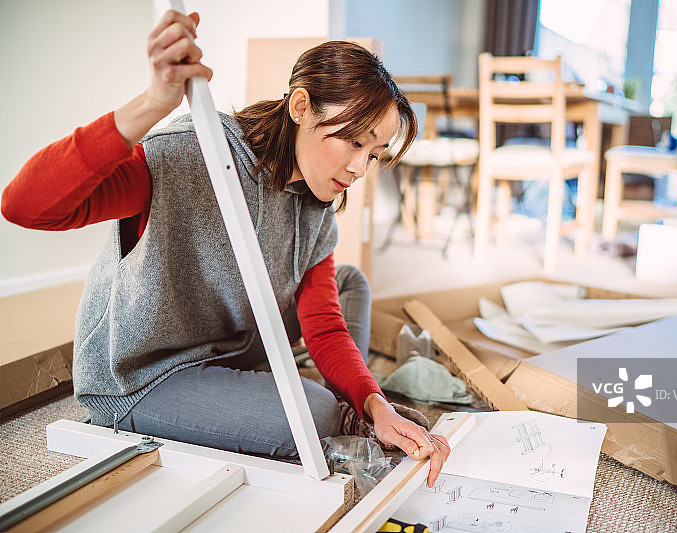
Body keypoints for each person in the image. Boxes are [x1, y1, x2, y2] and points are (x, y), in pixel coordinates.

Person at [1, 10, 449, 486]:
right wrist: (152, 103)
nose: (360, 168)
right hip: (149, 376)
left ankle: (340, 406)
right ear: (301, 106)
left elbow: (324, 324)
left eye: (374, 154)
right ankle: (325, 409)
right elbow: (25, 206)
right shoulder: (187, 156)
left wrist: (371, 401)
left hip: (238, 346)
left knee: (348, 284)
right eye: (353, 141)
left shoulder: (318, 202)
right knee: (312, 413)